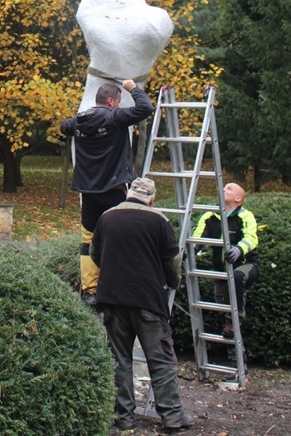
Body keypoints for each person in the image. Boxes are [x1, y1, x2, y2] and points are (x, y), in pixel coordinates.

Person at [90, 177, 194, 432]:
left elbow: (94, 253)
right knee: (161, 359)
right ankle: (171, 417)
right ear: (152, 198)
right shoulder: (158, 220)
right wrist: (172, 283)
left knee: (120, 359)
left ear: (129, 193)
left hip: (112, 299)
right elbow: (172, 262)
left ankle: (123, 418)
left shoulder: (107, 217)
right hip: (147, 300)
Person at [60, 79, 154, 305]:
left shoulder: (79, 122)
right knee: (118, 238)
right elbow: (146, 108)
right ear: (111, 101)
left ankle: (89, 290)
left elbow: (64, 126)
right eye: (119, 101)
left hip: (89, 193)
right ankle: (118, 286)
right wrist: (132, 87)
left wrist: (81, 120)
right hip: (114, 190)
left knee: (88, 240)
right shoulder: (114, 118)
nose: (120, 106)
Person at [192, 182, 260, 337]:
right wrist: (189, 251)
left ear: (238, 199)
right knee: (222, 311)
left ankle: (235, 320)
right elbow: (198, 238)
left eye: (229, 188)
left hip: (246, 265)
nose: (223, 189)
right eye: (224, 187)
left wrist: (239, 249)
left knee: (237, 277)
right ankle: (234, 356)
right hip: (220, 271)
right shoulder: (209, 216)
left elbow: (251, 237)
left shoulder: (245, 216)